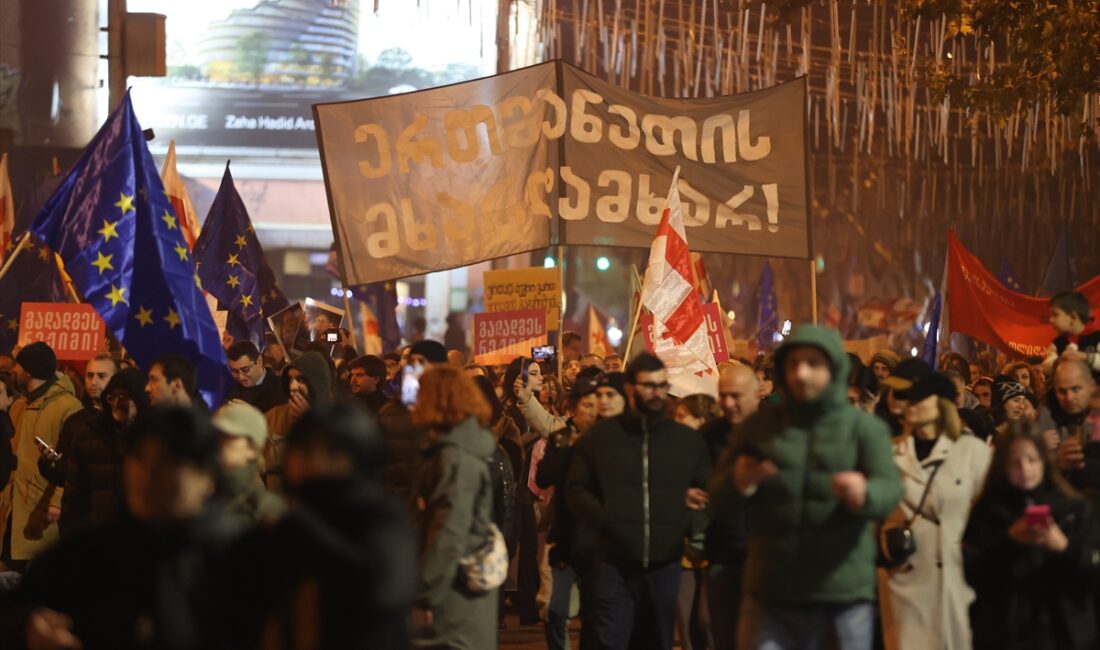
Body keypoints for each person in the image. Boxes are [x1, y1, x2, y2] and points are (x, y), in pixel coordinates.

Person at [717, 325, 903, 650]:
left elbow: (890, 491)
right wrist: (739, 482)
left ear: (834, 368)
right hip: (771, 594)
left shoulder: (864, 429)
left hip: (842, 596)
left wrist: (866, 493)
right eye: (793, 364)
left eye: (813, 363)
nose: (802, 374)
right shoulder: (758, 428)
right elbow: (717, 497)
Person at [0, 406, 232, 650]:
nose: (148, 476)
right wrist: (27, 632)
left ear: (206, 477)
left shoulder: (234, 556)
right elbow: (17, 613)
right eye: (140, 459)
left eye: (166, 463)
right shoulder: (83, 555)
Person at [219, 403, 414, 649]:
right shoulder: (286, 525)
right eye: (303, 451)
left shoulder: (380, 517)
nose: (311, 462)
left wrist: (300, 530)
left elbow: (383, 587)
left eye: (329, 453)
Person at [565, 353, 712, 650]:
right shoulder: (601, 438)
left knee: (655, 641)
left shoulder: (685, 440)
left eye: (662, 385)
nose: (657, 393)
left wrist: (681, 516)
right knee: (611, 641)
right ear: (631, 388)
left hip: (664, 562)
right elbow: (576, 489)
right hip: (613, 562)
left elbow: (708, 488)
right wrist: (606, 518)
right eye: (649, 386)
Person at [877, 369, 991, 650]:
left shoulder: (972, 452)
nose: (909, 404)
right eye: (906, 398)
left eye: (918, 398)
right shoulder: (889, 454)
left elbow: (989, 514)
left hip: (956, 581)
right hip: (904, 582)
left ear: (940, 402)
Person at [963, 423, 1100, 650]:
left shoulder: (1073, 507)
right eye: (1015, 462)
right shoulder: (988, 510)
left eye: (1032, 460)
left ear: (1044, 461)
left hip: (1065, 633)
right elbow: (973, 574)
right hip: (1006, 634)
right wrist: (1010, 540)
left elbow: (1093, 568)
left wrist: (1063, 546)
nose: (1025, 469)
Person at [409, 365, 500, 648]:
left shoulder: (453, 458)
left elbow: (449, 532)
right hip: (457, 592)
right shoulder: (456, 450)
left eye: (420, 393)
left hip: (452, 597)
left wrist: (425, 594)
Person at [693, 364, 760, 650]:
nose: (728, 404)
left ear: (757, 395)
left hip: (770, 560)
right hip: (724, 556)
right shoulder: (706, 437)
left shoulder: (782, 433)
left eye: (736, 396)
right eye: (722, 396)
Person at [0, 342, 83, 569]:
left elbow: (72, 462)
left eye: (18, 367)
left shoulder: (68, 407)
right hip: (12, 510)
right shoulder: (19, 405)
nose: (14, 372)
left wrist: (55, 503)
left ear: (28, 371)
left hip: (42, 513)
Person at [536, 374, 601, 650]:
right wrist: (568, 451)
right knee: (555, 611)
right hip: (564, 539)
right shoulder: (560, 438)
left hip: (598, 542)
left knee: (596, 615)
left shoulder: (608, 440)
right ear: (573, 407)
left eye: (596, 404)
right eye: (587, 405)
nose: (592, 411)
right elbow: (543, 478)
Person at [59, 368, 149, 537]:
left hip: (141, 537)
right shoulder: (89, 437)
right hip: (99, 537)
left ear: (138, 398)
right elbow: (75, 497)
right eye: (111, 397)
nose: (116, 403)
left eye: (123, 397)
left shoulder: (153, 439)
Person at [375, 339, 446, 501]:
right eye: (411, 361)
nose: (415, 367)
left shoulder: (455, 411)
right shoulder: (391, 413)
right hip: (400, 507)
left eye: (422, 361)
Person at [263, 351, 334, 493]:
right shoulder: (273, 416)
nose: (293, 387)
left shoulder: (340, 418)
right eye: (290, 380)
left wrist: (310, 421)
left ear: (317, 382)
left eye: (301, 380)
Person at [210, 401, 286, 527]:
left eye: (231, 435)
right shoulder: (200, 493)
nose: (221, 442)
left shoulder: (266, 509)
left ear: (252, 448)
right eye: (218, 434)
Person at [1052, 360, 1100, 499]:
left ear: (1091, 385)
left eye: (1076, 389)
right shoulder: (1046, 420)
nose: (1069, 398)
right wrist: (1060, 466)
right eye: (1062, 391)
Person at [1043, 290, 1100, 373]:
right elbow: (1046, 367)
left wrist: (1085, 357)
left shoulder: (1096, 337)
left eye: (1055, 315)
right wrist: (1059, 360)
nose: (1050, 320)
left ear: (1073, 317)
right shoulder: (1057, 343)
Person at [226, 341, 286, 413]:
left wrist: (253, 415)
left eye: (246, 370)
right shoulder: (232, 387)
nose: (241, 377)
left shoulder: (281, 389)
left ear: (259, 361)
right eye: (235, 371)